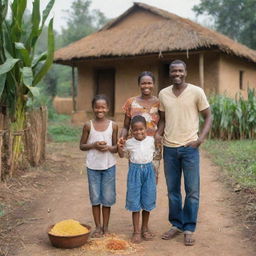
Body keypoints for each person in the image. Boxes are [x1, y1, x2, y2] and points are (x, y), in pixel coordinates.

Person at [155, 59, 212, 246]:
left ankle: (188, 227)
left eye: (180, 71)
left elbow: (208, 116)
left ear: (185, 72)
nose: (177, 74)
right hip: (169, 148)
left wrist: (200, 140)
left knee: (192, 191)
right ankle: (176, 224)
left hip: (190, 149)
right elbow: (163, 119)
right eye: (173, 71)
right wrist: (157, 133)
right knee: (172, 191)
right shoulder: (163, 94)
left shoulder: (196, 92)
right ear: (170, 73)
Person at [80, 94, 118, 237]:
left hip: (109, 166)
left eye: (103, 107)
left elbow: (115, 148)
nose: (99, 109)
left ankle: (106, 228)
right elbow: (82, 146)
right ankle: (98, 227)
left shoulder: (113, 125)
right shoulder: (88, 125)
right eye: (97, 107)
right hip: (93, 167)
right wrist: (94, 145)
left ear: (107, 108)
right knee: (95, 199)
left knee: (107, 199)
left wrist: (108, 147)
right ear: (93, 108)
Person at [118, 115, 157, 244]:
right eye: (135, 130)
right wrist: (119, 145)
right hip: (134, 173)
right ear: (131, 130)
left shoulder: (151, 140)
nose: (138, 132)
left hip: (149, 172)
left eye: (141, 129)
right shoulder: (129, 143)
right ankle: (136, 231)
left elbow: (158, 152)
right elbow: (121, 154)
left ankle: (145, 228)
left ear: (146, 128)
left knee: (147, 199)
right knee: (135, 201)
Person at [120, 71, 161, 179]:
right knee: (136, 178)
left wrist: (158, 135)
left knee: (152, 179)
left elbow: (162, 122)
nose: (146, 86)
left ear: (153, 84)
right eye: (143, 83)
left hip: (153, 146)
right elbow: (125, 126)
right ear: (139, 84)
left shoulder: (159, 102)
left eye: (149, 83)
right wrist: (121, 138)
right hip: (135, 147)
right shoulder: (131, 102)